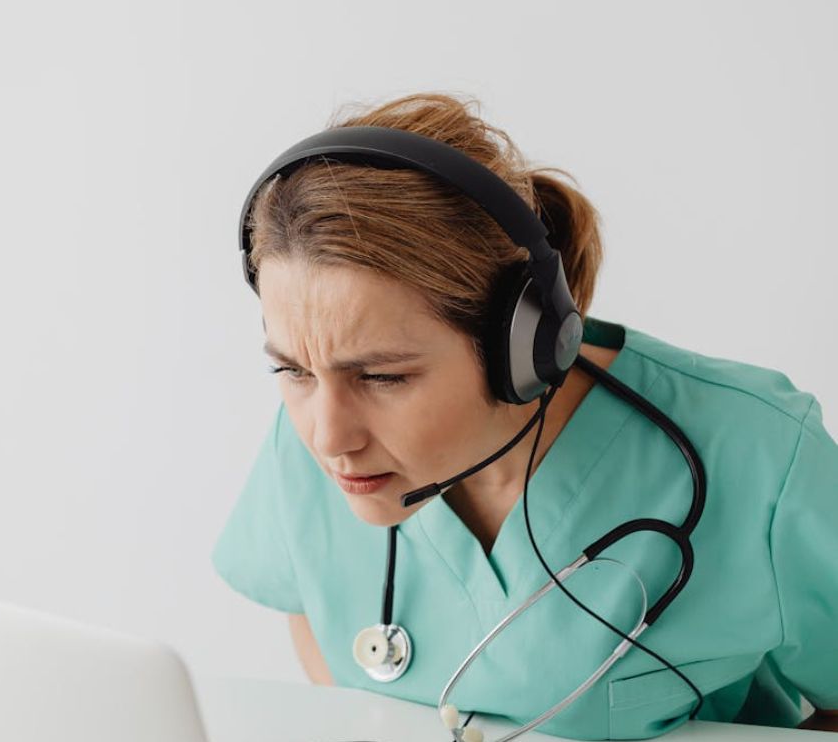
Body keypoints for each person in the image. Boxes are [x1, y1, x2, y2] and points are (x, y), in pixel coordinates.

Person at [211, 91, 838, 739]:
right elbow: (312, 614)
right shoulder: (308, 437)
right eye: (292, 370)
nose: (327, 436)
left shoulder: (762, 459)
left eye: (382, 376)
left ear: (525, 347)